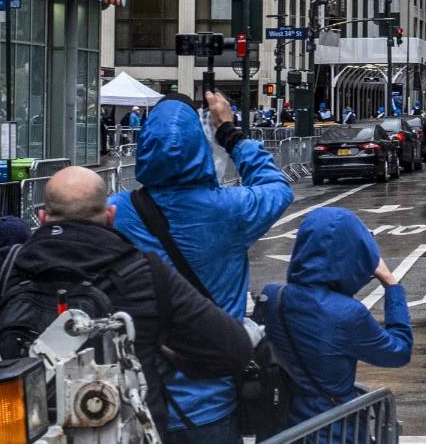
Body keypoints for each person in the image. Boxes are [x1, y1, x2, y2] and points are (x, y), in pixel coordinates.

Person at [0, 166, 252, 432]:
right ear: (111, 215)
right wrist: (167, 360)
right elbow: (233, 350)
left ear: (42, 217)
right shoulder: (145, 273)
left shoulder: (6, 266)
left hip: (15, 426)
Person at [110, 92, 293, 441]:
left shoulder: (116, 212)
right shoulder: (230, 210)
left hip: (139, 400)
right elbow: (277, 187)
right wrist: (230, 133)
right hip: (212, 402)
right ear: (200, 145)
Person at [259, 208, 411, 429]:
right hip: (333, 431)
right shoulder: (348, 314)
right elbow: (398, 352)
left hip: (280, 426)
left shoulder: (273, 296)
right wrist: (392, 286)